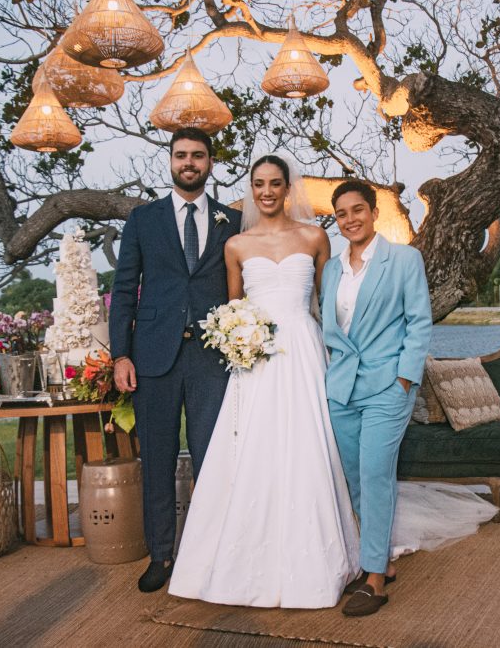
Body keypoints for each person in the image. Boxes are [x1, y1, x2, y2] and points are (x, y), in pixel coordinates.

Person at [168, 153, 361, 608]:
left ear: (288, 188)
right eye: (259, 184)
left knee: (306, 445)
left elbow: (328, 302)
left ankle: (316, 559)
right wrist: (237, 337)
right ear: (251, 189)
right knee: (253, 447)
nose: (267, 192)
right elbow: (234, 308)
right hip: (255, 359)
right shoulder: (236, 245)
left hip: (303, 352)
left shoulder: (314, 237)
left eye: (275, 183)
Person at [109, 127, 242, 593]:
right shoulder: (143, 219)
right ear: (170, 160)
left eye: (198, 155)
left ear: (210, 163)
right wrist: (121, 355)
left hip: (212, 360)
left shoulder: (232, 221)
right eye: (181, 155)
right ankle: (161, 555)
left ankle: (213, 556)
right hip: (152, 358)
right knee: (157, 460)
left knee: (214, 461)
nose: (189, 162)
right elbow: (124, 288)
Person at [321, 180, 433, 617]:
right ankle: (378, 558)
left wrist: (405, 379)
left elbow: (419, 322)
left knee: (375, 474)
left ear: (373, 212)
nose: (350, 219)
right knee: (354, 476)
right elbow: (331, 329)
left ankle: (374, 581)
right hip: (342, 389)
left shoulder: (403, 259)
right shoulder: (332, 269)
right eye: (341, 214)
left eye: (357, 210)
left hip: (388, 386)